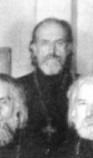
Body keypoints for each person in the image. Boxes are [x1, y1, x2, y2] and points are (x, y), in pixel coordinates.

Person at [17, 17, 75, 148]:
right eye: (44, 43)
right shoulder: (16, 87)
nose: (52, 52)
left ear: (68, 48)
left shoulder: (84, 85)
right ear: (33, 49)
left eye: (59, 43)